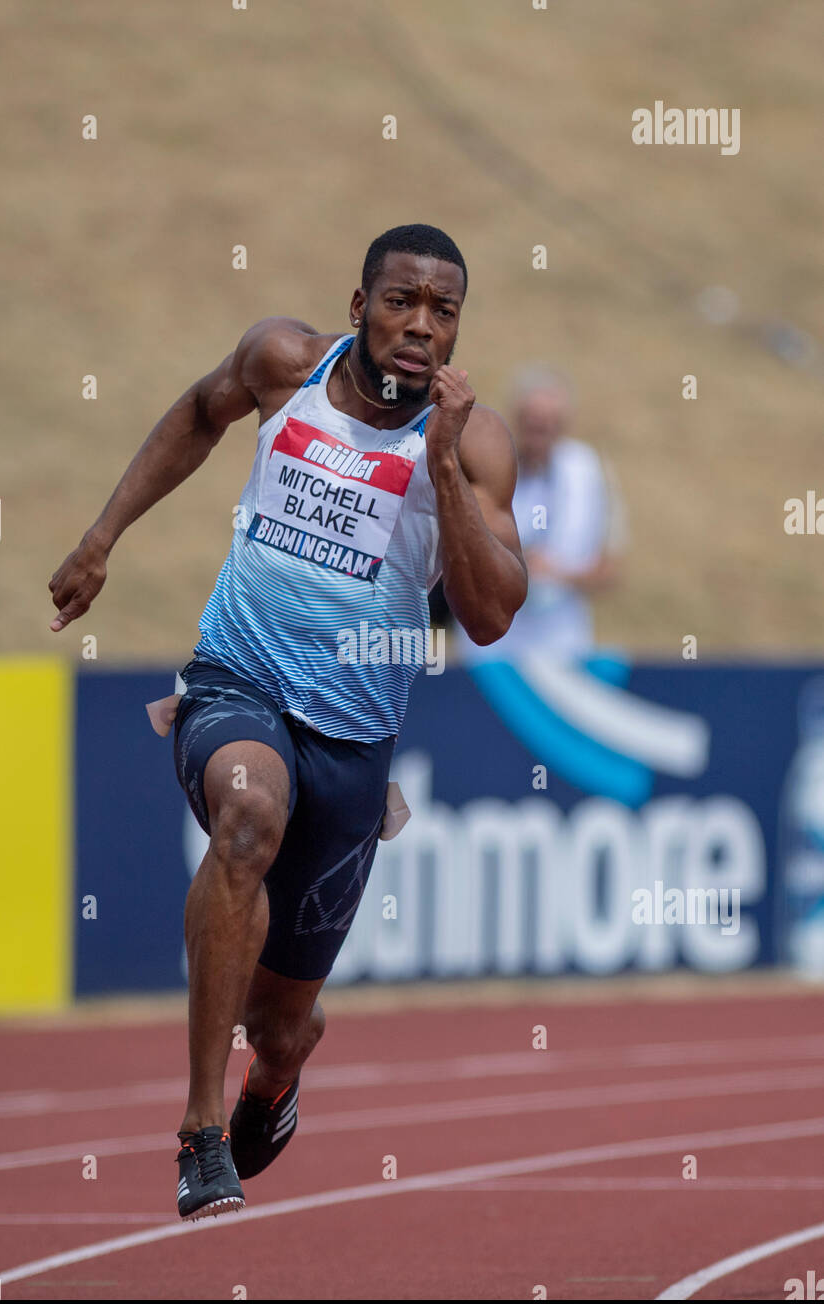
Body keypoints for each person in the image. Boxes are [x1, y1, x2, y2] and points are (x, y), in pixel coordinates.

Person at [48, 224, 527, 1220]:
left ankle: (273, 1074)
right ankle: (197, 1128)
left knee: (279, 1024)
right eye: (400, 300)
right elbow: (195, 413)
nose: (419, 325)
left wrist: (437, 470)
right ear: (358, 308)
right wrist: (101, 539)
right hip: (234, 679)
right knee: (245, 816)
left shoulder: (473, 442)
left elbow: (489, 614)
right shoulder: (284, 363)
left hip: (350, 742)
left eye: (443, 311)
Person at [456, 365, 623, 663]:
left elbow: (609, 570)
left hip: (561, 644)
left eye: (548, 424)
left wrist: (556, 574)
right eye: (531, 423)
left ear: (563, 425)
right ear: (515, 420)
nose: (538, 433)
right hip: (489, 645)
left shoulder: (589, 472)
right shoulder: (485, 465)